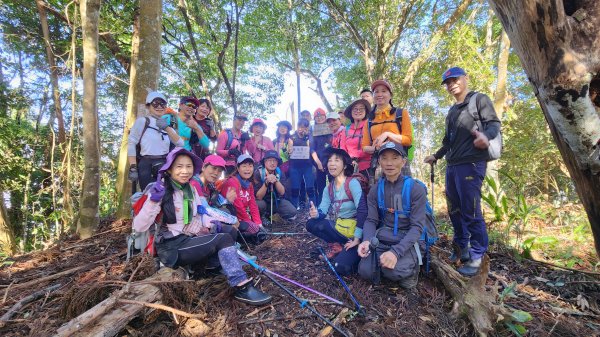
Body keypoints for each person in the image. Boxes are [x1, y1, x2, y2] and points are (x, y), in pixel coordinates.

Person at [132, 147, 271, 305]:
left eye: (188, 166)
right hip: (171, 247)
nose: (185, 171)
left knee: (223, 234)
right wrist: (153, 202)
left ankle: (212, 267)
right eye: (179, 166)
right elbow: (139, 226)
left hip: (188, 239)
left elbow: (201, 214)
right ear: (169, 169)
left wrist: (216, 223)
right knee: (223, 239)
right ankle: (241, 286)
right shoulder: (160, 190)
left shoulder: (189, 189)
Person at [424, 67, 501, 277]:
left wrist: (486, 136)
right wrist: (436, 156)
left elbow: (494, 124)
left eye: (455, 80)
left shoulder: (479, 100)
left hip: (472, 163)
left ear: (465, 79)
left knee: (471, 210)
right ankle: (461, 249)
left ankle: (478, 256)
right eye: (447, 83)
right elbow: (448, 141)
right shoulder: (452, 111)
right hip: (453, 165)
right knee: (454, 210)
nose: (451, 85)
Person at [357, 142, 425, 289]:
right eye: (384, 158)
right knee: (364, 271)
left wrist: (395, 252)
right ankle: (389, 265)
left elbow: (417, 228)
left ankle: (412, 269)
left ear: (403, 161)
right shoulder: (375, 190)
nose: (389, 163)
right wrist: (367, 240)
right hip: (384, 236)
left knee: (392, 272)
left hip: (408, 239)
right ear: (379, 161)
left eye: (395, 158)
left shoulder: (415, 189)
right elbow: (371, 220)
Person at [307, 147, 363, 274]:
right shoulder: (329, 188)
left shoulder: (352, 183)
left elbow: (362, 211)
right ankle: (338, 246)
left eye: (337, 160)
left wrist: (357, 238)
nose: (332, 163)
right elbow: (323, 210)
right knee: (311, 223)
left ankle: (352, 252)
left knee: (340, 268)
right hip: (340, 230)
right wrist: (316, 214)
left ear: (344, 166)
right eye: (330, 160)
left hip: (355, 234)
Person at [127, 91, 184, 191]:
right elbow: (132, 143)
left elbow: (180, 143)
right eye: (155, 103)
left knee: (167, 195)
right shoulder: (143, 121)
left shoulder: (167, 125)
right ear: (148, 106)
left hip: (164, 164)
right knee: (150, 195)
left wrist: (166, 128)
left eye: (162, 104)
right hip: (146, 165)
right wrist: (133, 167)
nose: (159, 106)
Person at [362, 79, 413, 176]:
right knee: (379, 190)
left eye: (384, 91)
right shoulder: (369, 120)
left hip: (399, 161)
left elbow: (408, 140)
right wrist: (378, 147)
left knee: (403, 190)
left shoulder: (401, 113)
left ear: (390, 95)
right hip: (378, 163)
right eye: (376, 92)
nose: (379, 94)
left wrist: (388, 134)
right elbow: (365, 147)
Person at [219, 154, 267, 240]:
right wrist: (251, 224)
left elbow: (253, 204)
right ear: (238, 168)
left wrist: (258, 223)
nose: (247, 169)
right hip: (232, 216)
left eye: (250, 166)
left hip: (243, 216)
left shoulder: (249, 184)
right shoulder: (232, 182)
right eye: (244, 166)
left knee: (257, 229)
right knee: (251, 234)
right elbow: (238, 207)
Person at [253, 150, 297, 222]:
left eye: (274, 160)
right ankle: (262, 216)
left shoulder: (280, 173)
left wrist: (275, 180)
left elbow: (282, 192)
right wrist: (266, 183)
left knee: (292, 211)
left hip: (276, 201)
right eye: (269, 160)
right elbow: (258, 196)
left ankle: (275, 215)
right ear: (264, 162)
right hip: (263, 202)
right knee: (259, 204)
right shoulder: (258, 173)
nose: (272, 163)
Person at [288, 118, 317, 209]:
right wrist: (290, 150)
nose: (302, 129)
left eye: (304, 127)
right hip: (295, 166)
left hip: (307, 166)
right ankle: (294, 209)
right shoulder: (292, 137)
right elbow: (289, 149)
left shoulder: (308, 137)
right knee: (295, 188)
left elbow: (310, 149)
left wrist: (306, 137)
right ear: (297, 127)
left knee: (310, 188)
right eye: (300, 127)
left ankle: (313, 207)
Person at [343, 99, 372, 178]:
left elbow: (373, 146)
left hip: (368, 168)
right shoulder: (346, 129)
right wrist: (350, 160)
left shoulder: (370, 126)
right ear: (351, 111)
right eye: (355, 109)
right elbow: (343, 149)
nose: (358, 111)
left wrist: (356, 156)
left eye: (361, 108)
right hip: (349, 168)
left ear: (365, 111)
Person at [311, 108, 332, 205]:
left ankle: (335, 203)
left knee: (334, 182)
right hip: (319, 161)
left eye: (321, 116)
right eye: (317, 117)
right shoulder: (312, 131)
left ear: (325, 117)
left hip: (332, 160)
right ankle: (321, 205)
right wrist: (318, 163)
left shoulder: (331, 127)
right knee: (321, 185)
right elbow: (312, 149)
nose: (319, 118)